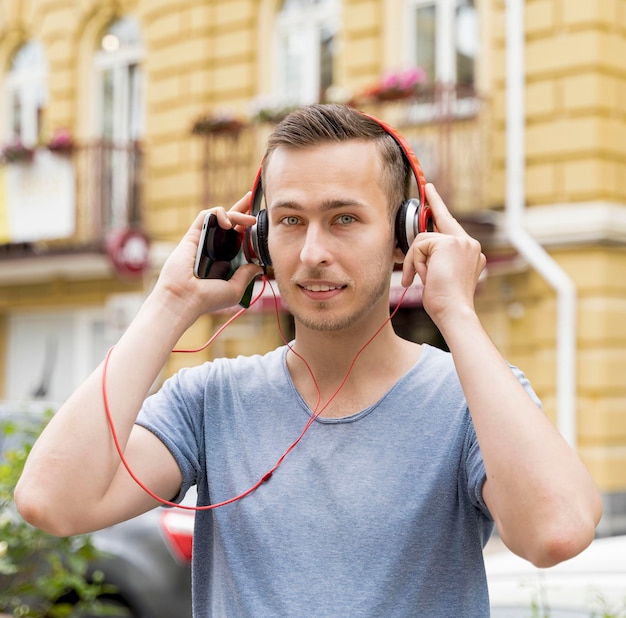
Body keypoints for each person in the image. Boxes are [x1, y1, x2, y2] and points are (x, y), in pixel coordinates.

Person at [16, 104, 602, 617]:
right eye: (291, 221)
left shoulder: (473, 398)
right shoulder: (210, 401)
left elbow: (556, 533)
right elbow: (51, 501)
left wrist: (458, 314)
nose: (313, 253)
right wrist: (172, 302)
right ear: (259, 240)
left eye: (344, 219)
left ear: (406, 233)